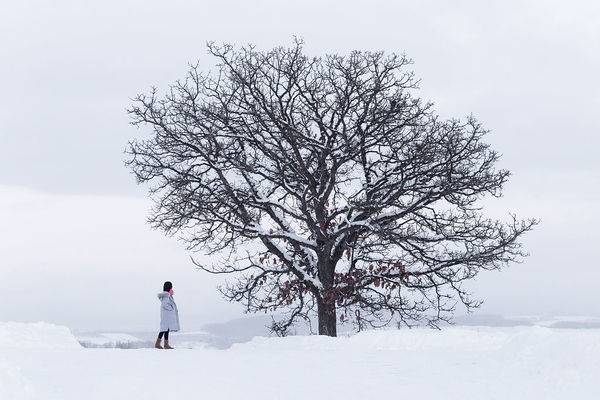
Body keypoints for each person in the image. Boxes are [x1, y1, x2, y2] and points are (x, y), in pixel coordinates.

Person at [155, 281, 180, 349]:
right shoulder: (166, 295)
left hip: (166, 316)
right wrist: (171, 309)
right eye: (171, 286)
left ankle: (166, 344)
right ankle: (158, 344)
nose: (172, 287)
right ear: (169, 287)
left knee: (166, 329)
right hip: (167, 316)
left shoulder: (168, 295)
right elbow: (164, 305)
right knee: (164, 329)